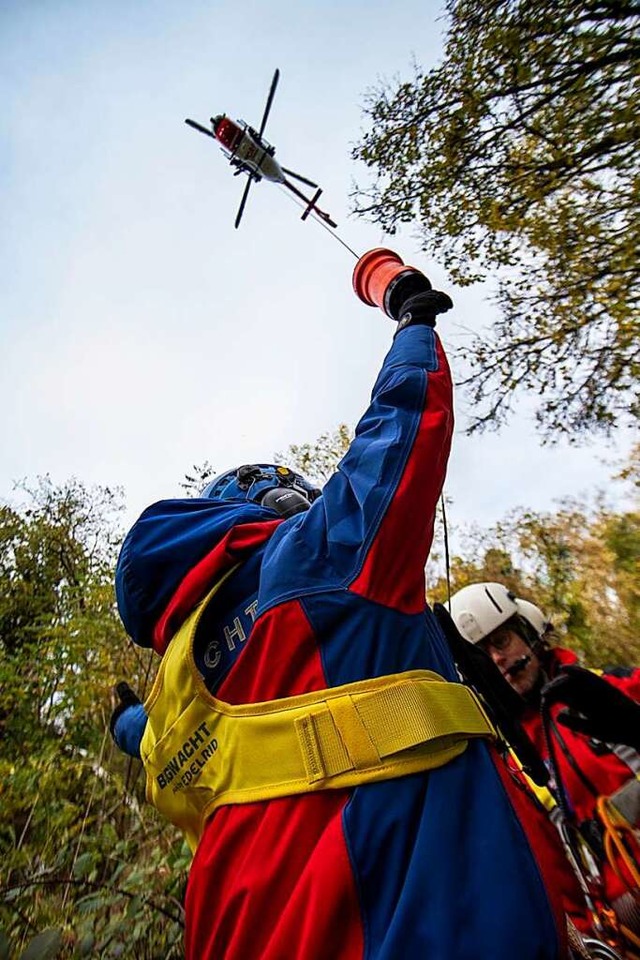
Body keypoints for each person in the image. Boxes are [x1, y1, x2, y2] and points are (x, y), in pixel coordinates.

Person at [111, 254, 572, 960]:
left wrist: (120, 720)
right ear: (272, 505)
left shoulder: (175, 697)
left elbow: (139, 732)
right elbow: (403, 421)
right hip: (405, 928)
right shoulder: (318, 556)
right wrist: (408, 312)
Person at [449, 581, 640, 950]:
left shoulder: (614, 686)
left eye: (501, 641)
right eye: (482, 656)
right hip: (617, 928)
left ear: (529, 631)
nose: (497, 660)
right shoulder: (508, 764)